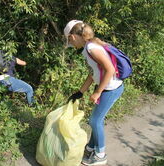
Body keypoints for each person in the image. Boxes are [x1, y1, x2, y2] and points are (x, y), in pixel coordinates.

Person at [64, 20, 124, 165]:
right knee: (96, 119)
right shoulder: (88, 48)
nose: (72, 46)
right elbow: (93, 73)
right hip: (108, 88)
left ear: (72, 37)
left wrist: (97, 92)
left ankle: (100, 155)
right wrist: (80, 92)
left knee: (95, 120)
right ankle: (91, 148)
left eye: (70, 43)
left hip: (112, 89)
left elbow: (110, 69)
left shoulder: (91, 47)